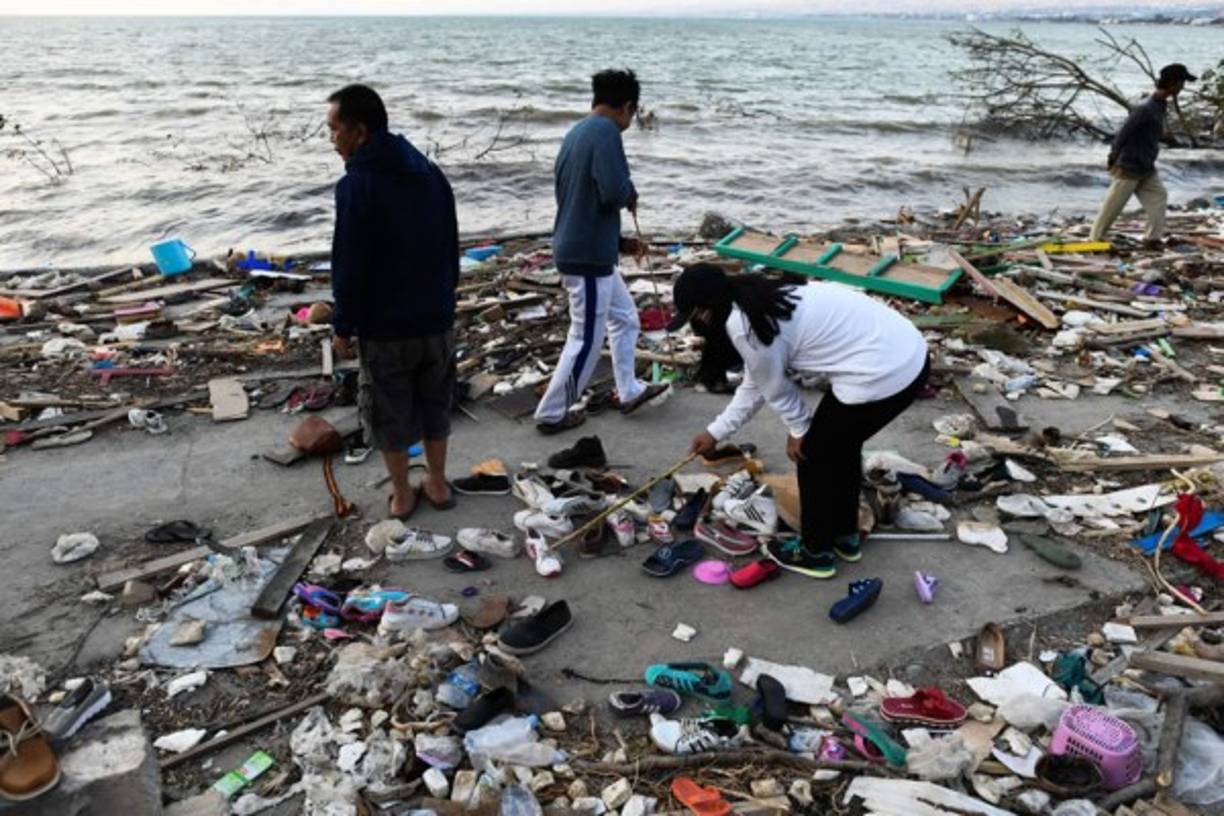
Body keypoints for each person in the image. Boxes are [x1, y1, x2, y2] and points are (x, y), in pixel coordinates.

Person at [677, 265, 930, 579]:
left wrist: (799, 429)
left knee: (812, 454)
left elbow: (774, 388)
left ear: (706, 309)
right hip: (908, 355)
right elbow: (758, 380)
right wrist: (716, 431)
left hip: (884, 370)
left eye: (695, 317)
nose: (698, 326)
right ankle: (845, 535)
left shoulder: (742, 325)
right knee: (841, 445)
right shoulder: (757, 298)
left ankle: (815, 552)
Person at [327, 83, 460, 521]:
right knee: (435, 403)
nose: (331, 140)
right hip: (435, 318)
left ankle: (402, 494)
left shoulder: (356, 186)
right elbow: (450, 243)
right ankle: (437, 483)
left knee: (389, 411)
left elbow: (348, 263)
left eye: (334, 129)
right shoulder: (431, 174)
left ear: (360, 131)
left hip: (386, 326)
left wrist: (343, 324)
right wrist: (446, 297)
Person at [534, 68, 669, 435]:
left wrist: (621, 244)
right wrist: (631, 193)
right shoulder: (607, 133)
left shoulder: (576, 133)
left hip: (586, 247)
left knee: (625, 318)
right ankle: (551, 413)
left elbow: (584, 200)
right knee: (585, 339)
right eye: (633, 113)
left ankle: (629, 390)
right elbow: (612, 191)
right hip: (587, 257)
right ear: (627, 106)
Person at [1089, 63, 1196, 249]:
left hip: (1146, 166)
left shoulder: (1160, 105)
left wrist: (1165, 137)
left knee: (1159, 196)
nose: (1182, 87)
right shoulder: (1144, 108)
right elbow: (1123, 134)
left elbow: (1149, 132)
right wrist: (1113, 157)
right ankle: (1094, 239)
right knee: (1113, 206)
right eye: (1181, 82)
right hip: (1129, 166)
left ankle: (1152, 238)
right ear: (1172, 82)